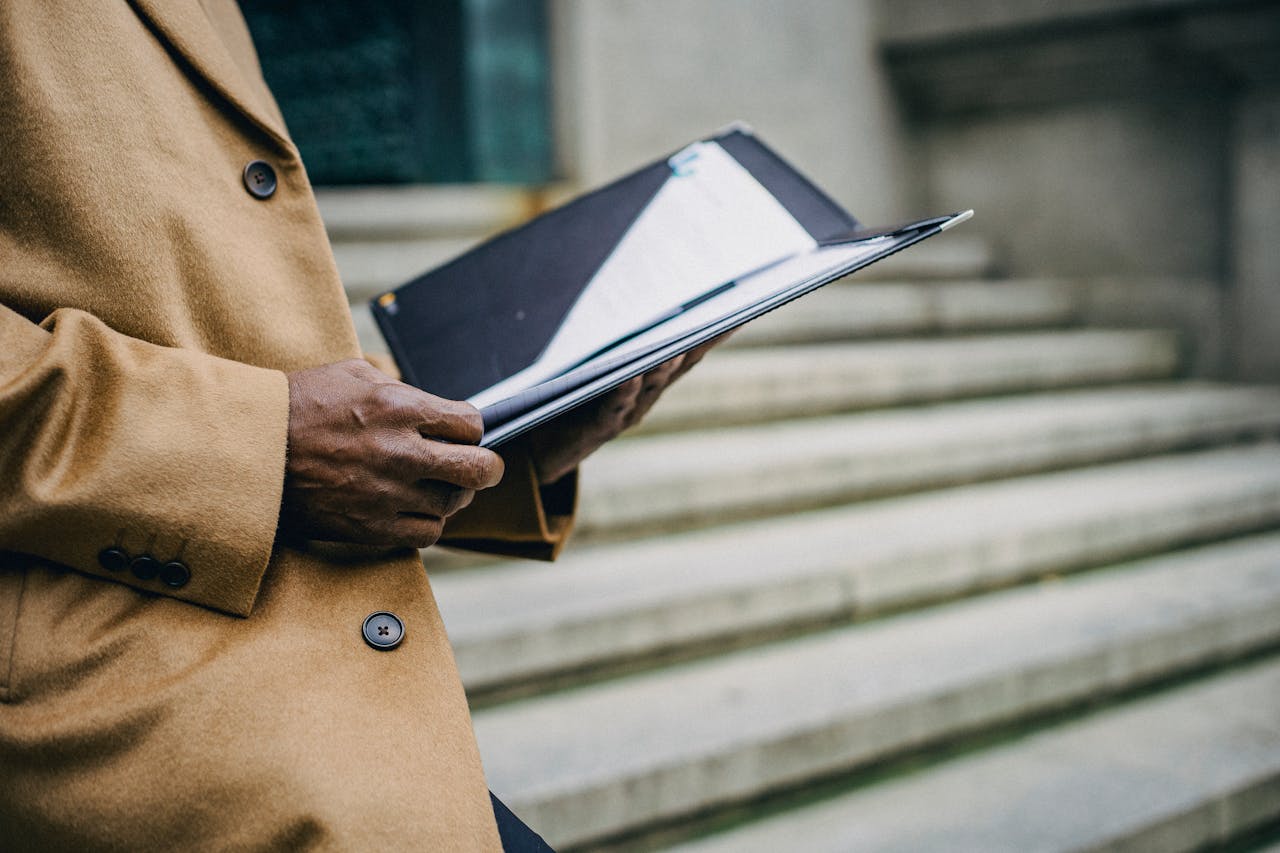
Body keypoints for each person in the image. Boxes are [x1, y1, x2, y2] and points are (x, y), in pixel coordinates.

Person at [0, 1, 712, 848]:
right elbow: (273, 427)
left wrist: (491, 448)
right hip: (105, 702)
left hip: (280, 698)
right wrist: (257, 448)